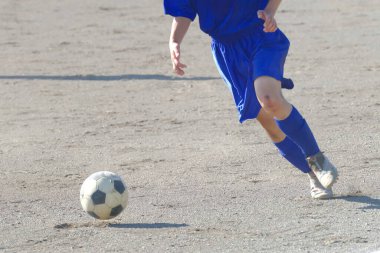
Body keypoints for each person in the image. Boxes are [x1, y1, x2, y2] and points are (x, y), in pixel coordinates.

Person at [163, 0, 338, 199]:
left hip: (260, 35)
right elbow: (183, 10)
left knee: (269, 99)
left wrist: (270, 11)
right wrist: (174, 41)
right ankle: (312, 175)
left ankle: (317, 159)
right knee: (267, 121)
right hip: (227, 52)